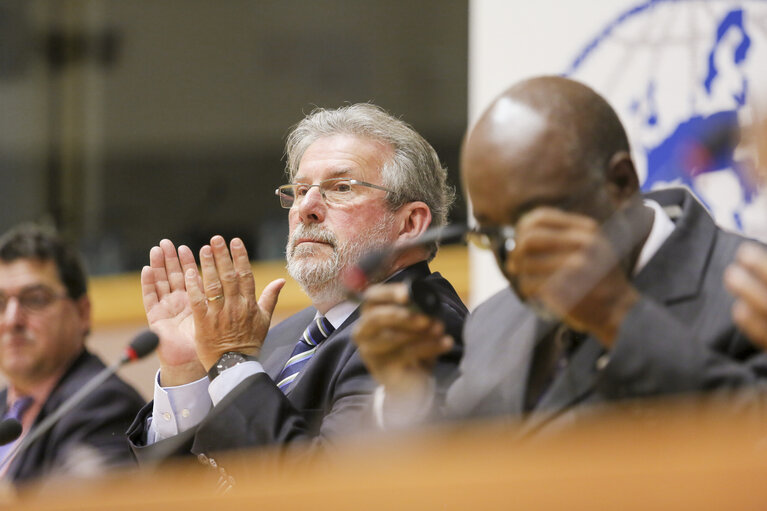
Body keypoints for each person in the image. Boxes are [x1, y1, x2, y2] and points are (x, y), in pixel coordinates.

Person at [354, 76, 767, 434]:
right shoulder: (493, 322)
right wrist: (408, 396)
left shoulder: (747, 292)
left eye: (540, 223)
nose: (515, 256)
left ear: (620, 183)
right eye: (493, 234)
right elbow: (468, 472)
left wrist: (621, 319)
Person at [126, 104, 466, 462]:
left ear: (410, 224)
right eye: (301, 190)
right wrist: (187, 374)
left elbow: (331, 489)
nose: (307, 208)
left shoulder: (422, 328)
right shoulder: (284, 337)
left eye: (341, 187)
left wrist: (231, 363)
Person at [0, 223, 145, 485]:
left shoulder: (105, 403)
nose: (11, 320)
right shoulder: (4, 409)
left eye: (34, 299)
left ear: (82, 313)